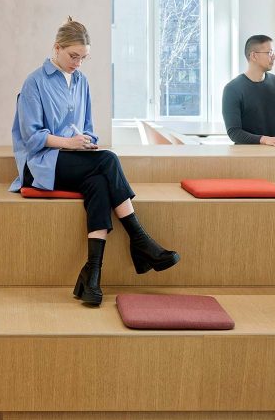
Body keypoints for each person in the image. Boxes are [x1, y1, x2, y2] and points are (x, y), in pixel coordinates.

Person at [10, 17, 180, 307]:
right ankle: (140, 240)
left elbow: (88, 127)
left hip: (75, 160)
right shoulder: (34, 82)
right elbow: (32, 138)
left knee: (100, 183)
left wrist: (87, 141)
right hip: (40, 164)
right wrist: (69, 143)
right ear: (57, 48)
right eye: (73, 56)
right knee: (109, 160)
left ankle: (93, 276)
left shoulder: (82, 81)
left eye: (83, 58)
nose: (78, 63)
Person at [222, 35, 275, 146]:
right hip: (245, 153)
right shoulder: (232, 89)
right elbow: (234, 132)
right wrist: (264, 139)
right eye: (270, 53)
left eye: (274, 52)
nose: (274, 57)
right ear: (254, 56)